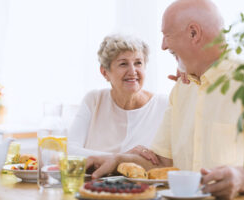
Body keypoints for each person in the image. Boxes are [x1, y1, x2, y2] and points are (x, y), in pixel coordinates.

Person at [85, 0, 244, 199]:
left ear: (194, 33)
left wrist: (243, 178)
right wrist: (118, 160)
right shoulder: (181, 89)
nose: (163, 45)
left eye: (167, 35)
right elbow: (164, 164)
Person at [67, 34, 168, 162]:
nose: (132, 71)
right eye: (123, 64)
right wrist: (121, 158)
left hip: (146, 182)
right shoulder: (94, 100)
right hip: (94, 181)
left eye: (138, 63)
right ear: (105, 73)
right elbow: (69, 151)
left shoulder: (164, 105)